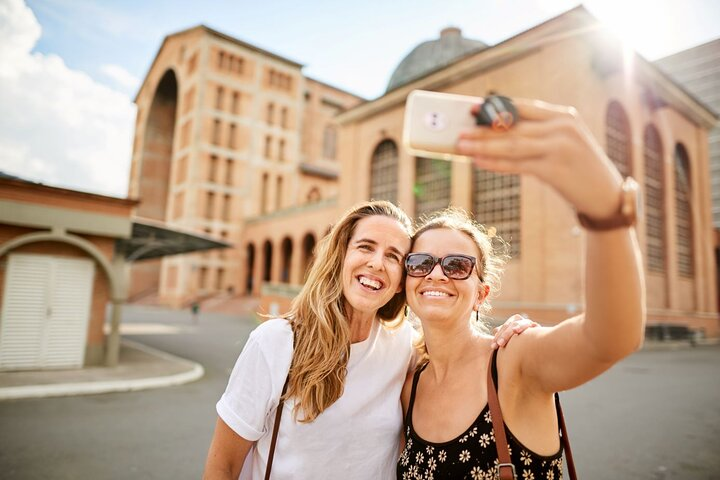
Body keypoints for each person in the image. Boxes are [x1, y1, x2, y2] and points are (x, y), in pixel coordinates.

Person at [397, 98, 645, 479]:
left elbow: (609, 339)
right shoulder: (409, 383)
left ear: (482, 292)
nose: (436, 274)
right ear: (407, 280)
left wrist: (607, 212)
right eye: (420, 263)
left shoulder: (515, 359)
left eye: (457, 265)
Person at [203, 200, 535, 480]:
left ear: (401, 280)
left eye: (393, 256)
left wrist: (515, 332)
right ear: (342, 257)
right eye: (365, 247)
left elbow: (459, 353)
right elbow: (224, 465)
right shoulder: (276, 342)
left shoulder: (404, 345)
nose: (377, 263)